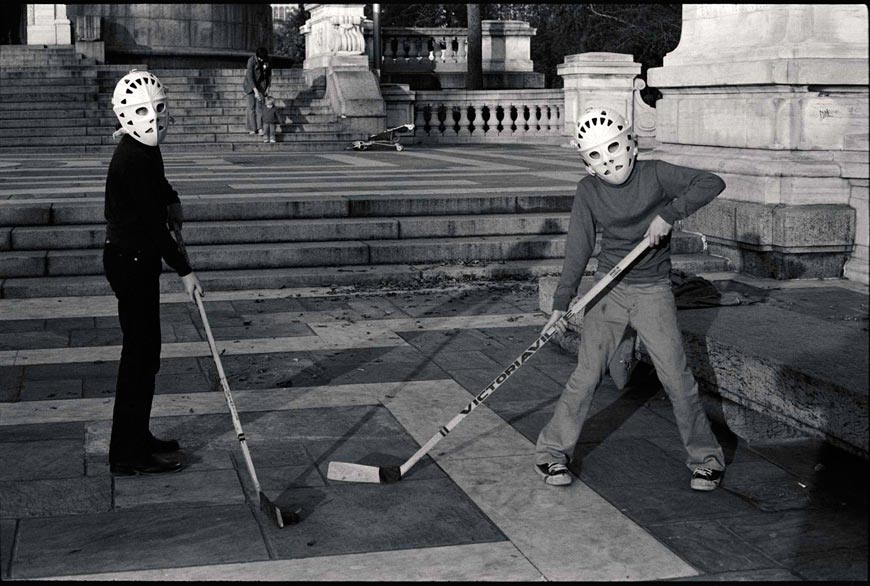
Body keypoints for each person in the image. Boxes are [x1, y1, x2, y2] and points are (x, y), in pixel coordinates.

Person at [535, 107, 727, 492]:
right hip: (608, 287)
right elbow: (578, 247)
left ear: (631, 143)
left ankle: (707, 459)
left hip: (653, 289)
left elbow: (712, 182)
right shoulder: (588, 190)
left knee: (676, 377)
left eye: (614, 148)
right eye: (596, 156)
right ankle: (552, 453)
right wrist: (562, 302)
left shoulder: (656, 174)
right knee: (587, 374)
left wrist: (669, 215)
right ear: (587, 163)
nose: (609, 160)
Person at [105, 70, 203, 476]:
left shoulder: (144, 150)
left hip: (136, 260)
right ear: (126, 114)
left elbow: (159, 185)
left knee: (147, 355)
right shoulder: (130, 158)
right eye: (143, 111)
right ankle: (126, 454)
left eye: (159, 110)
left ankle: (137, 435)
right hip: (129, 260)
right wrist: (185, 272)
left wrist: (174, 199)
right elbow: (151, 223)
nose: (153, 119)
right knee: (139, 357)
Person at [243, 47, 272, 136]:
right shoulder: (251, 61)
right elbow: (250, 77)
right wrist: (255, 91)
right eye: (260, 58)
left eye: (263, 58)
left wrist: (268, 88)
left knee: (259, 108)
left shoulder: (267, 60)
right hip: (249, 86)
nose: (262, 60)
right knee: (251, 108)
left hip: (261, 85)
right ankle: (252, 128)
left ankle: (260, 128)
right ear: (257, 56)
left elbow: (269, 75)